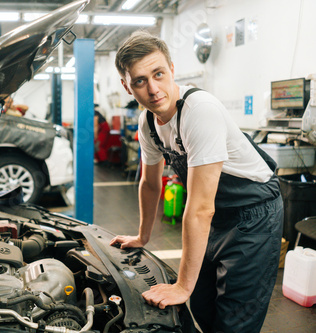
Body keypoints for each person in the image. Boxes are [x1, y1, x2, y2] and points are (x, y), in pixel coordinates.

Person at [109, 30, 283, 333]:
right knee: (202, 307)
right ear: (126, 86)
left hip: (254, 216)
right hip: (215, 215)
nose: (153, 89)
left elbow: (200, 208)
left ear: (172, 69)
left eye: (159, 74)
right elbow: (151, 184)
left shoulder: (199, 111)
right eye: (140, 80)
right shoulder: (147, 122)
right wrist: (142, 236)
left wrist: (181, 286)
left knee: (233, 321)